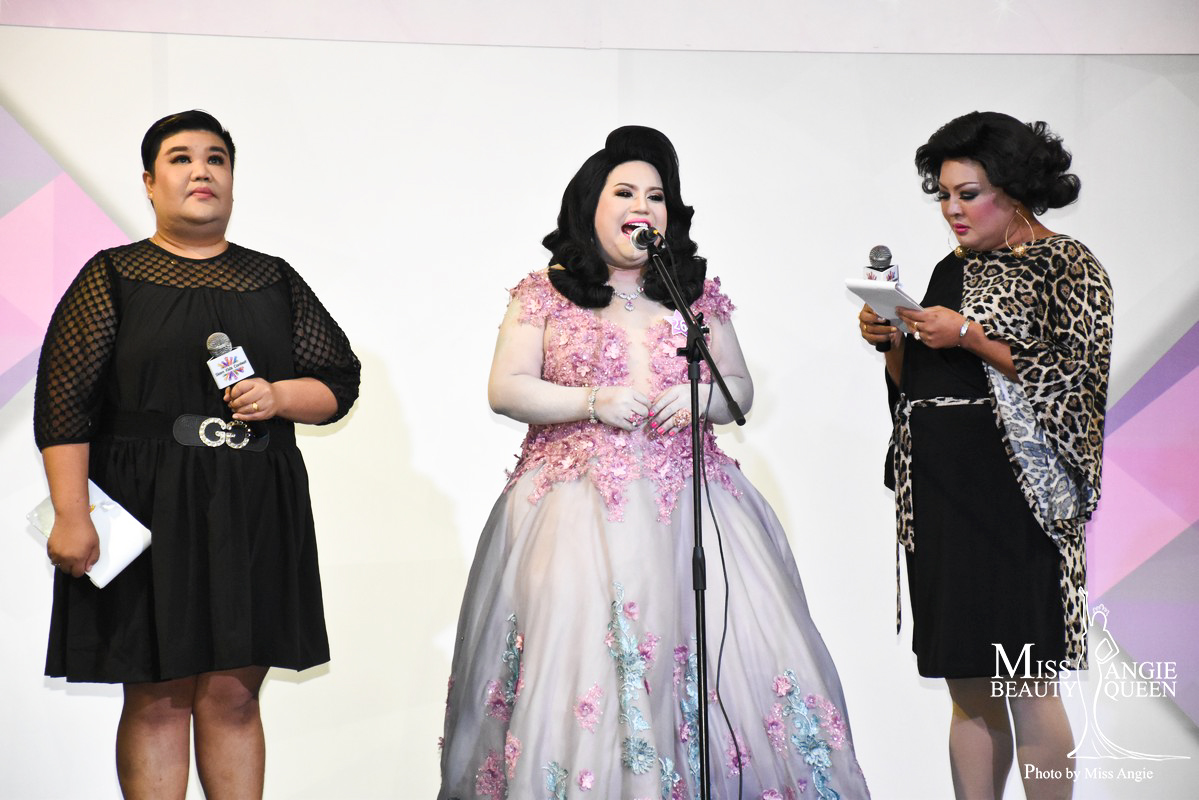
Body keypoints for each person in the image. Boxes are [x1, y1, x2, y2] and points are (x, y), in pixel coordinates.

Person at [440, 126, 870, 799]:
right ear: (590, 205)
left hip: (690, 509)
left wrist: (700, 399)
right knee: (583, 663)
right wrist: (591, 400)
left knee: (721, 657)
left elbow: (737, 390)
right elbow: (506, 388)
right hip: (576, 513)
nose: (642, 205)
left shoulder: (693, 295)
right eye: (624, 192)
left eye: (656, 195)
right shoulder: (544, 293)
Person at [36, 110, 360, 798]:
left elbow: (339, 383)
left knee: (235, 696)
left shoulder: (272, 279)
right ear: (150, 183)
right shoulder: (113, 275)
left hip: (253, 506)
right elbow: (63, 404)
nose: (201, 170)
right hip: (148, 506)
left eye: (216, 158)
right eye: (180, 158)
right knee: (158, 696)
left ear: (233, 180)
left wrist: (278, 395)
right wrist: (71, 513)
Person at [858, 111, 1113, 799]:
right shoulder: (950, 269)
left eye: (967, 194)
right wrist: (894, 344)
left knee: (1026, 680)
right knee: (966, 684)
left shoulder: (1066, 265)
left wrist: (969, 334)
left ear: (1015, 188)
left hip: (1015, 498)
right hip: (940, 492)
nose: (951, 209)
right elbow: (917, 389)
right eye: (943, 194)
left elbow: (1076, 383)